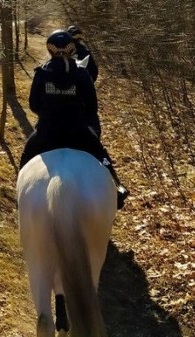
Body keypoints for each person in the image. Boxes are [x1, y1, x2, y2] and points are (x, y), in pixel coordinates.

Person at [19, 30, 129, 209]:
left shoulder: (41, 73)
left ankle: (20, 196)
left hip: (47, 132)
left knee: (26, 155)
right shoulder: (82, 73)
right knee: (100, 152)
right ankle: (117, 187)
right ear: (72, 49)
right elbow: (92, 107)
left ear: (50, 50)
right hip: (79, 131)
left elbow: (33, 105)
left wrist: (48, 112)